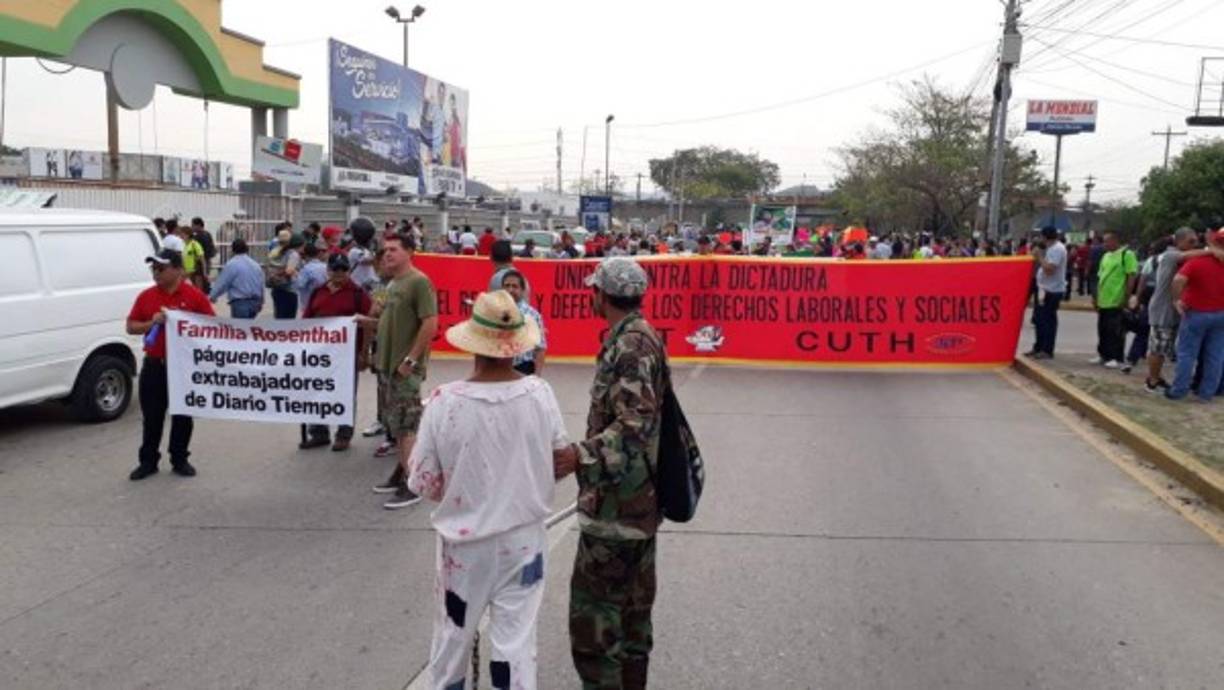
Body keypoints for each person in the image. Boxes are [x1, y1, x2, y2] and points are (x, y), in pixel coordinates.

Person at [406, 290, 565, 690]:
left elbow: (423, 481)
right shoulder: (539, 394)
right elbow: (559, 460)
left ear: (474, 343)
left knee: (452, 639)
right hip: (524, 543)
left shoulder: (445, 402)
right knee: (515, 641)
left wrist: (469, 488)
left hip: (464, 546)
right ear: (517, 346)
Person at [553, 258, 665, 690]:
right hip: (639, 507)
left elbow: (635, 424)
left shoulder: (630, 346)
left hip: (618, 511)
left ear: (601, 294)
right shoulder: (639, 335)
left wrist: (579, 455)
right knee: (634, 621)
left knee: (596, 628)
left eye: (593, 289)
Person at [126, 249, 215, 481]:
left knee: (183, 415)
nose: (156, 273)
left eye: (161, 268)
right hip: (155, 366)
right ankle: (148, 461)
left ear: (178, 269)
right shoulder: (146, 296)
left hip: (184, 368)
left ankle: (179, 458)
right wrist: (150, 323)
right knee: (152, 417)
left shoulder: (194, 296)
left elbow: (212, 326)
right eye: (153, 268)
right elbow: (130, 326)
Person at [366, 233, 439, 510]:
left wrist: (411, 360)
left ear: (410, 252)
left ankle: (413, 483)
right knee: (394, 424)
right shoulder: (390, 283)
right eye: (384, 250)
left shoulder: (419, 282)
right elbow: (376, 315)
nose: (387, 254)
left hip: (403, 369)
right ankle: (401, 472)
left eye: (394, 250)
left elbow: (430, 323)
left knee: (407, 426)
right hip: (386, 366)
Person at [300, 253, 373, 451]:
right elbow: (306, 321)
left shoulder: (358, 293)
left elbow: (369, 324)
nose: (339, 273)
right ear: (328, 270)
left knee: (346, 394)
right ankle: (319, 432)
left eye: (343, 269)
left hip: (347, 356)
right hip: (320, 354)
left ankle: (344, 433)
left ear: (348, 271)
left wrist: (364, 354)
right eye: (335, 269)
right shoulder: (318, 291)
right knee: (317, 390)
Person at [1146, 228, 1212, 393]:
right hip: (1163, 310)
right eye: (1191, 241)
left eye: (1196, 241)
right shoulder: (1170, 256)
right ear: (1178, 241)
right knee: (1157, 348)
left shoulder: (1185, 259)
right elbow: (1187, 256)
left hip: (1176, 310)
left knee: (1166, 347)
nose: (1194, 245)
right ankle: (1152, 381)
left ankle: (1157, 378)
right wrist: (1212, 250)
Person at [1166, 229, 1224, 401]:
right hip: (1221, 315)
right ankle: (1206, 394)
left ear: (1215, 243)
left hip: (1196, 313)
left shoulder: (1198, 261)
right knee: (1216, 355)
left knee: (1187, 354)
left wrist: (1176, 300)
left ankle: (1179, 391)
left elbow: (1178, 280)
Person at [1091, 232, 1138, 369]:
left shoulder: (1127, 255)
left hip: (1116, 298)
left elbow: (1131, 276)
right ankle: (1103, 354)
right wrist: (1096, 297)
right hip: (1103, 299)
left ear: (1115, 241)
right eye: (1104, 241)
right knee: (1103, 329)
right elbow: (1101, 277)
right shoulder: (1105, 256)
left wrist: (1126, 296)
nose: (1104, 244)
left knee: (1115, 330)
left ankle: (1115, 357)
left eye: (1107, 241)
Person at [1027, 227, 1067, 359]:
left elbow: (1050, 269)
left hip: (1052, 290)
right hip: (1043, 288)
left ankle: (1047, 349)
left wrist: (1039, 257)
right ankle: (1038, 346)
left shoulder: (1057, 249)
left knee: (1048, 320)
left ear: (1045, 237)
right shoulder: (1050, 249)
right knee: (1039, 319)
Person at [502, 270, 547, 376]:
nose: (510, 290)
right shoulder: (493, 312)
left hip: (523, 368)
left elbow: (540, 348)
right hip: (498, 368)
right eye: (507, 286)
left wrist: (537, 376)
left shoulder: (532, 315)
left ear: (522, 290)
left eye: (514, 286)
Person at [208, 238, 265, 318]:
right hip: (255, 302)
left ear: (233, 250)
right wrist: (261, 301)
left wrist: (212, 296)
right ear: (246, 249)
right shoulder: (255, 265)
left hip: (240, 302)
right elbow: (261, 284)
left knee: (240, 328)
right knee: (248, 328)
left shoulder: (232, 264)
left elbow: (223, 283)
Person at [265, 229, 302, 319]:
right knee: (288, 321)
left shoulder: (274, 251)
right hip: (288, 290)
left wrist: (274, 275)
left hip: (276, 288)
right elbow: (289, 271)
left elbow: (268, 265)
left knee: (279, 317)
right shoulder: (292, 254)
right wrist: (295, 272)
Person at [294, 242, 328, 317]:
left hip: (309, 305)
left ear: (305, 255)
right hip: (325, 303)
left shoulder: (307, 269)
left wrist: (295, 274)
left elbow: (299, 285)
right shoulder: (325, 267)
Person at [347, 217, 379, 292]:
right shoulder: (354, 251)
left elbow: (376, 265)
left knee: (383, 299)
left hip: (372, 284)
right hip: (358, 287)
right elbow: (369, 261)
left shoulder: (367, 250)